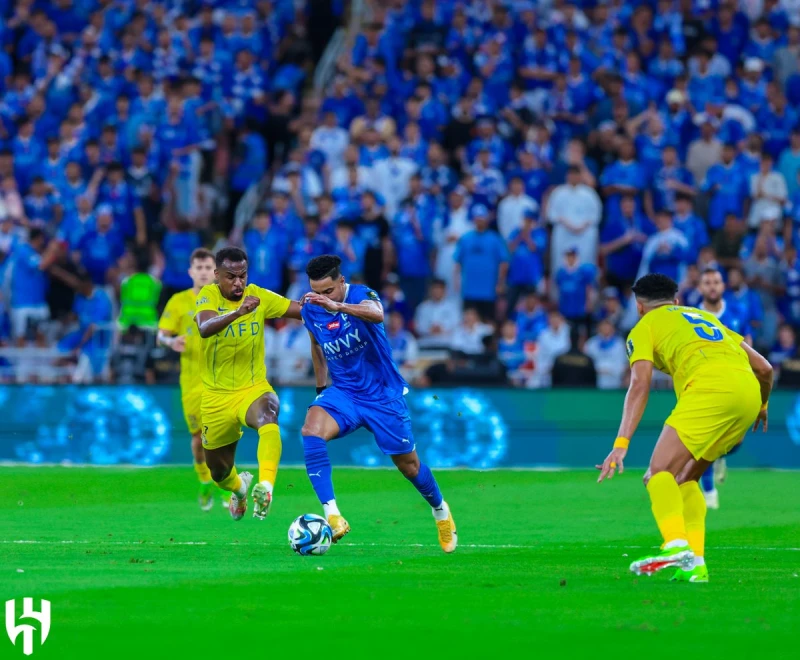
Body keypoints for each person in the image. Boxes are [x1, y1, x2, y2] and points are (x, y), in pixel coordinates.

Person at [597, 273, 772, 583]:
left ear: (639, 307)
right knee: (685, 478)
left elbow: (639, 385)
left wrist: (621, 443)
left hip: (710, 390)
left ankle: (675, 544)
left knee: (657, 473)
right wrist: (761, 406)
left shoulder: (644, 328)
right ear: (675, 301)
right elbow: (764, 368)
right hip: (748, 394)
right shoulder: (704, 316)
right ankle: (696, 564)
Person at [299, 254, 457, 552]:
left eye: (328, 292)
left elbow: (377, 313)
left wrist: (338, 306)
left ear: (341, 282)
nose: (321, 298)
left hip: (382, 395)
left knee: (409, 466)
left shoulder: (360, 295)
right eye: (316, 292)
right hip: (344, 393)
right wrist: (321, 388)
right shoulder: (311, 308)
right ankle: (332, 514)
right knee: (311, 431)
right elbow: (316, 345)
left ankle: (440, 510)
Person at [194, 247, 303, 521]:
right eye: (231, 277)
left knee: (269, 414)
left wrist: (328, 307)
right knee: (218, 472)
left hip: (252, 388)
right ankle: (240, 489)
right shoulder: (207, 295)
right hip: (216, 396)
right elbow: (205, 328)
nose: (238, 283)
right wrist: (238, 313)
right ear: (217, 275)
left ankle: (265, 486)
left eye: (242, 275)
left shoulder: (259, 295)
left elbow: (299, 311)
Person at [157, 248, 220, 511]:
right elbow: (160, 335)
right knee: (198, 439)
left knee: (222, 437)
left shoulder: (224, 299)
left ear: (215, 272)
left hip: (221, 379)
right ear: (191, 271)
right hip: (192, 382)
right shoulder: (178, 301)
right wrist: (172, 341)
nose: (204, 272)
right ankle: (205, 481)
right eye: (199, 268)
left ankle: (229, 486)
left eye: (208, 268)